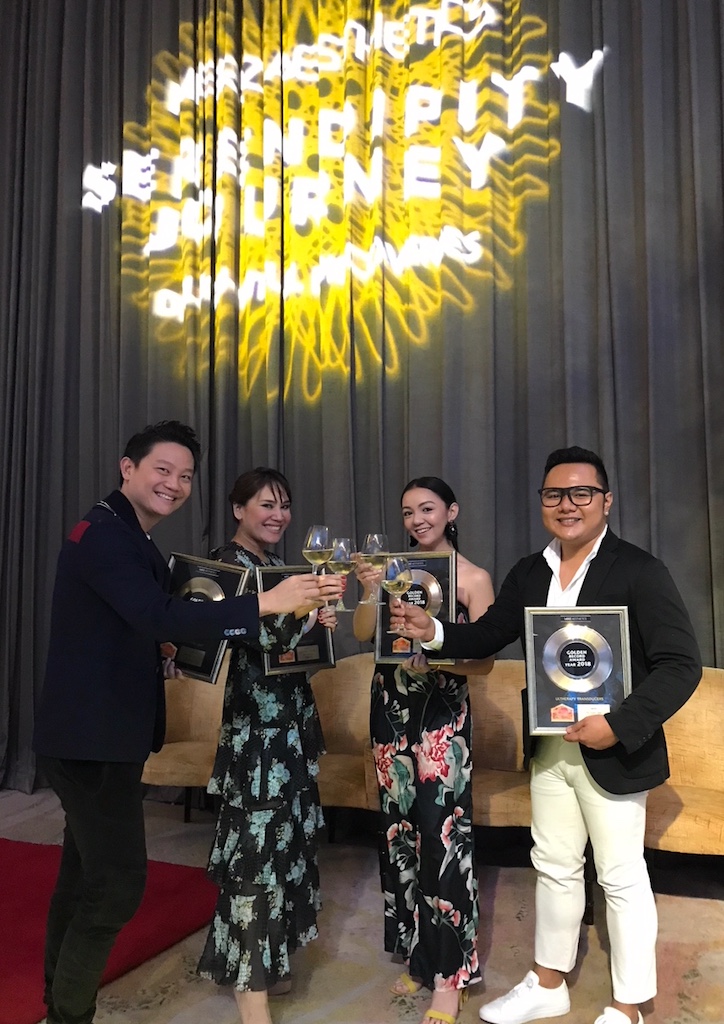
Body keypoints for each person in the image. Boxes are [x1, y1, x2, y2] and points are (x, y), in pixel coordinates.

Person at [32, 423, 341, 1024]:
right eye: (162, 470)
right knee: (117, 885)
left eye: (184, 476)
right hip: (89, 738)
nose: (174, 484)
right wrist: (266, 604)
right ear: (128, 468)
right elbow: (156, 612)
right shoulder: (106, 536)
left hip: (102, 736)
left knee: (82, 878)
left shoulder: (130, 538)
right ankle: (69, 1013)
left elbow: (139, 624)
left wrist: (167, 651)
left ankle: (58, 1004)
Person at [391, 448, 702, 1024]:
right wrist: (432, 630)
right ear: (542, 503)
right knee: (554, 863)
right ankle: (548, 982)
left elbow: (681, 664)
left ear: (606, 501)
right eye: (555, 494)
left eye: (582, 493)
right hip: (550, 746)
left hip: (614, 747)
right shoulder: (530, 571)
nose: (568, 505)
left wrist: (619, 724)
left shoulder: (639, 569)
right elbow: (486, 635)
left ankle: (629, 1005)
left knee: (620, 875)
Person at [197, 468, 337, 1024]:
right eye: (265, 504)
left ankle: (266, 966)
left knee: (284, 856)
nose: (278, 515)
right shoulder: (227, 568)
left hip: (289, 729)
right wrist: (299, 610)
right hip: (257, 735)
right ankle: (248, 993)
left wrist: (318, 621)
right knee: (253, 864)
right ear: (238, 509)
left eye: (284, 505)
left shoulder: (275, 570)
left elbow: (290, 647)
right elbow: (245, 637)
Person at [353, 477, 495, 1024]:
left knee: (443, 842)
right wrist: (369, 589)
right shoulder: (394, 570)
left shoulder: (472, 578)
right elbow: (366, 633)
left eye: (428, 509)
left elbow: (480, 662)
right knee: (400, 837)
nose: (417, 520)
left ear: (451, 511)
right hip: (389, 711)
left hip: (440, 718)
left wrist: (435, 651)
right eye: (409, 511)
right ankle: (418, 950)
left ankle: (450, 976)